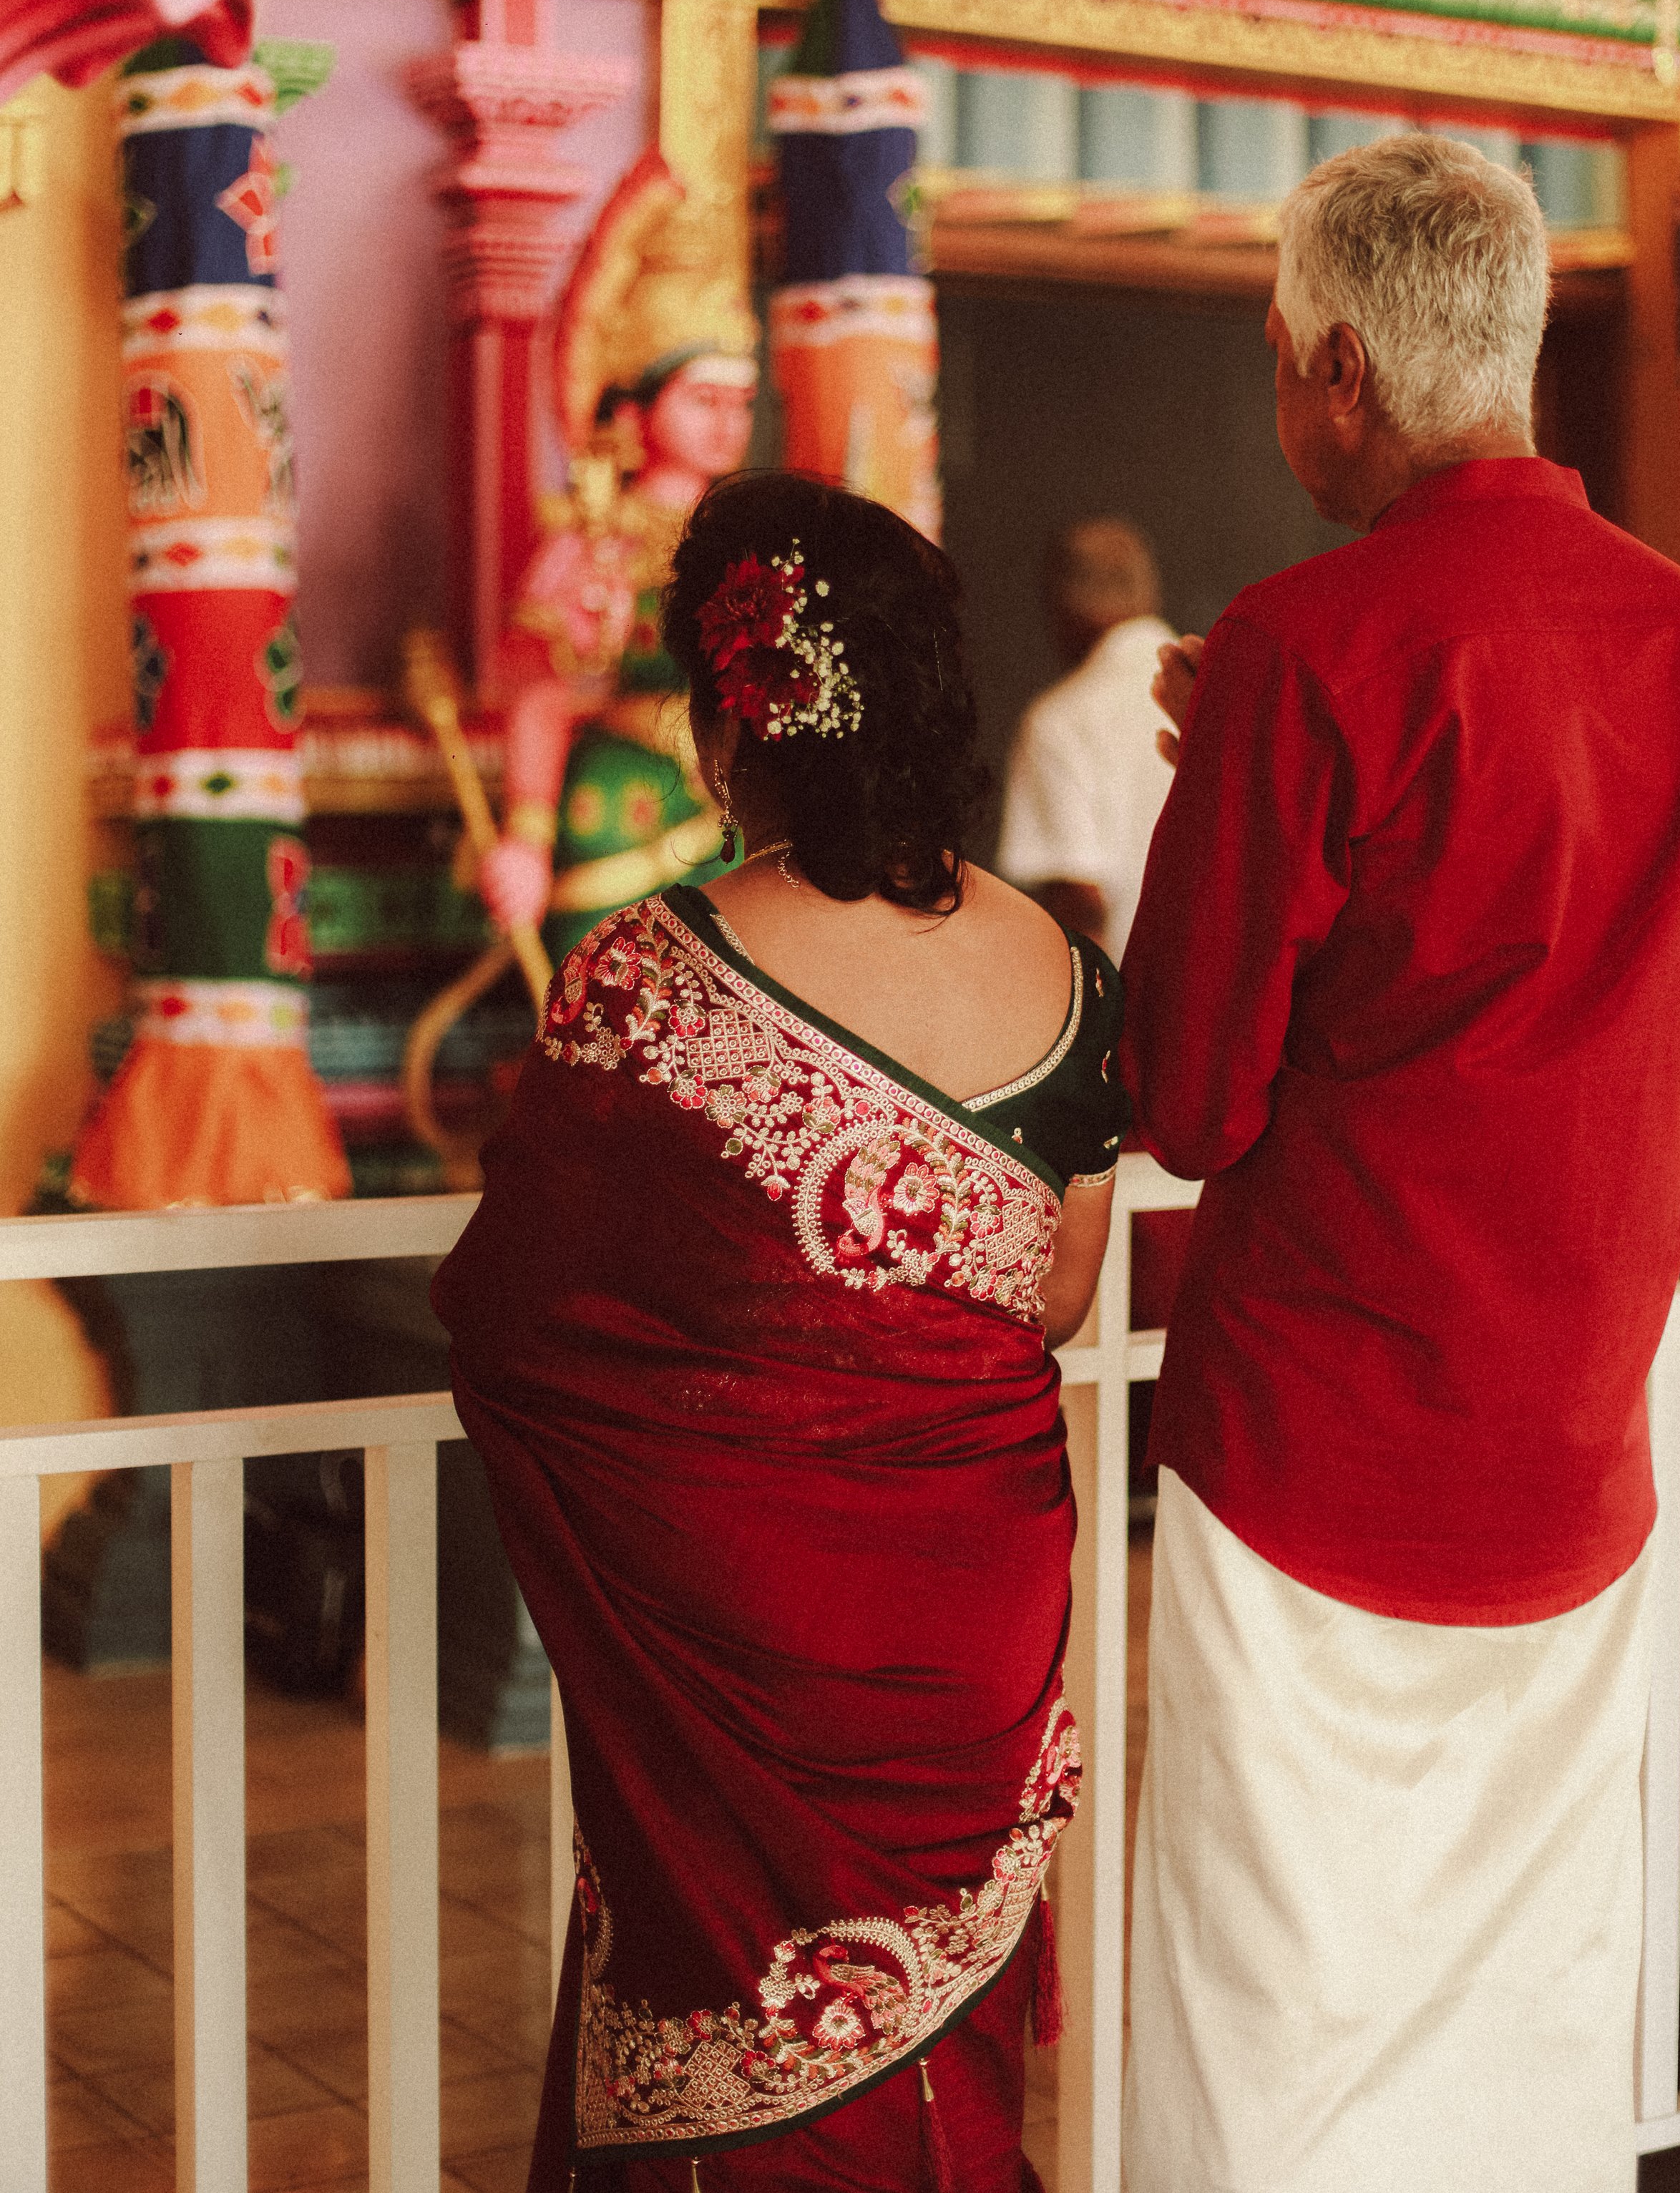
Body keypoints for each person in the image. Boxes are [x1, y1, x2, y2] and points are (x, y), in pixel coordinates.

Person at [1120, 132, 1680, 2193]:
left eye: (1270, 360)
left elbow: (1187, 1098)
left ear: (1337, 365)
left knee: (1273, 2008)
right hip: (1585, 1452)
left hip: (1318, 1444)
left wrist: (1226, 760)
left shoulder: (1306, 645)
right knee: (1519, 2009)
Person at [434, 472, 1132, 2193]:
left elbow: (518, 1317)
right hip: (968, 1629)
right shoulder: (1062, 970)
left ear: (729, 724)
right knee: (946, 2039)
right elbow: (1057, 1290)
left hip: (732, 1636)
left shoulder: (646, 979)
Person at [480, 148, 758, 964]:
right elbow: (543, 692)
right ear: (639, 407)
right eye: (702, 400)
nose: (726, 425)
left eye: (740, 403)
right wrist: (525, 840)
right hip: (621, 800)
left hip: (742, 817)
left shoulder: (756, 537)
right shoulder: (598, 541)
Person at [997, 517, 1176, 958]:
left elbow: (1079, 904)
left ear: (1064, 607)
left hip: (1128, 1004)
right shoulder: (1218, 693)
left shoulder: (1062, 720)